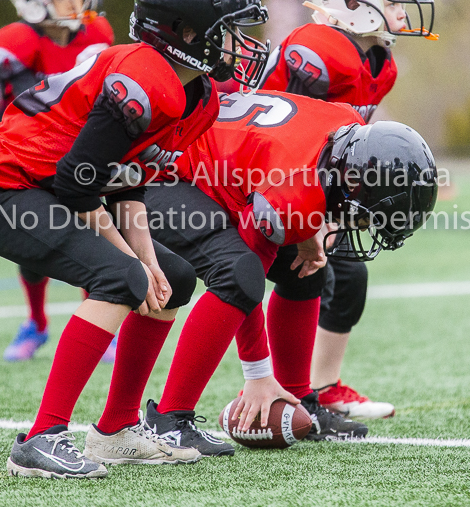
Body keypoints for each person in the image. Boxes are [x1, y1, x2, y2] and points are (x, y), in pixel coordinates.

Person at [0, 0, 270, 479]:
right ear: (187, 32)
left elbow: (128, 180)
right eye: (230, 30)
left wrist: (147, 256)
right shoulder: (142, 80)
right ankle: (39, 439)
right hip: (0, 194)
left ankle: (116, 429)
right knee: (119, 277)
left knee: (174, 273)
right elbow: (78, 184)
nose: (243, 44)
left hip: (48, 191)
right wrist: (130, 259)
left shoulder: (198, 97)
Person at [141, 90, 438, 456]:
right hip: (163, 171)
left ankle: (299, 394)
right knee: (237, 272)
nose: (361, 224)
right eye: (366, 215)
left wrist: (308, 227)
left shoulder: (350, 132)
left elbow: (296, 162)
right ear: (355, 183)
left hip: (227, 173)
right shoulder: (295, 192)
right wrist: (257, 374)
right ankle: (169, 419)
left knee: (306, 267)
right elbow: (244, 275)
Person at [259, 0, 437, 419]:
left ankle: (321, 385)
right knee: (266, 277)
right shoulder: (318, 50)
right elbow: (292, 135)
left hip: (311, 180)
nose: (403, 0)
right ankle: (277, 387)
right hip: (259, 181)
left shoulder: (378, 61)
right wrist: (312, 213)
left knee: (348, 275)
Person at [0, 0, 115, 362]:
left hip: (85, 149)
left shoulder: (97, 32)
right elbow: (36, 105)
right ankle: (37, 322)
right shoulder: (14, 41)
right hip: (32, 153)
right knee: (36, 246)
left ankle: (96, 321)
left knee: (92, 234)